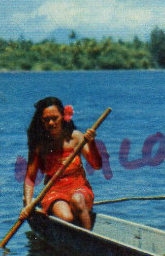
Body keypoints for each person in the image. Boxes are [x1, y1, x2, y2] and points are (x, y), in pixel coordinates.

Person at [20, 96, 103, 229]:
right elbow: (30, 177)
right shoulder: (40, 145)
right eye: (46, 120)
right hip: (55, 192)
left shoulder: (76, 137)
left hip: (80, 189)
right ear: (41, 121)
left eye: (55, 118)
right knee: (66, 218)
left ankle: (87, 240)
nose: (51, 123)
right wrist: (29, 204)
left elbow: (97, 165)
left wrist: (92, 143)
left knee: (77, 200)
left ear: (63, 116)